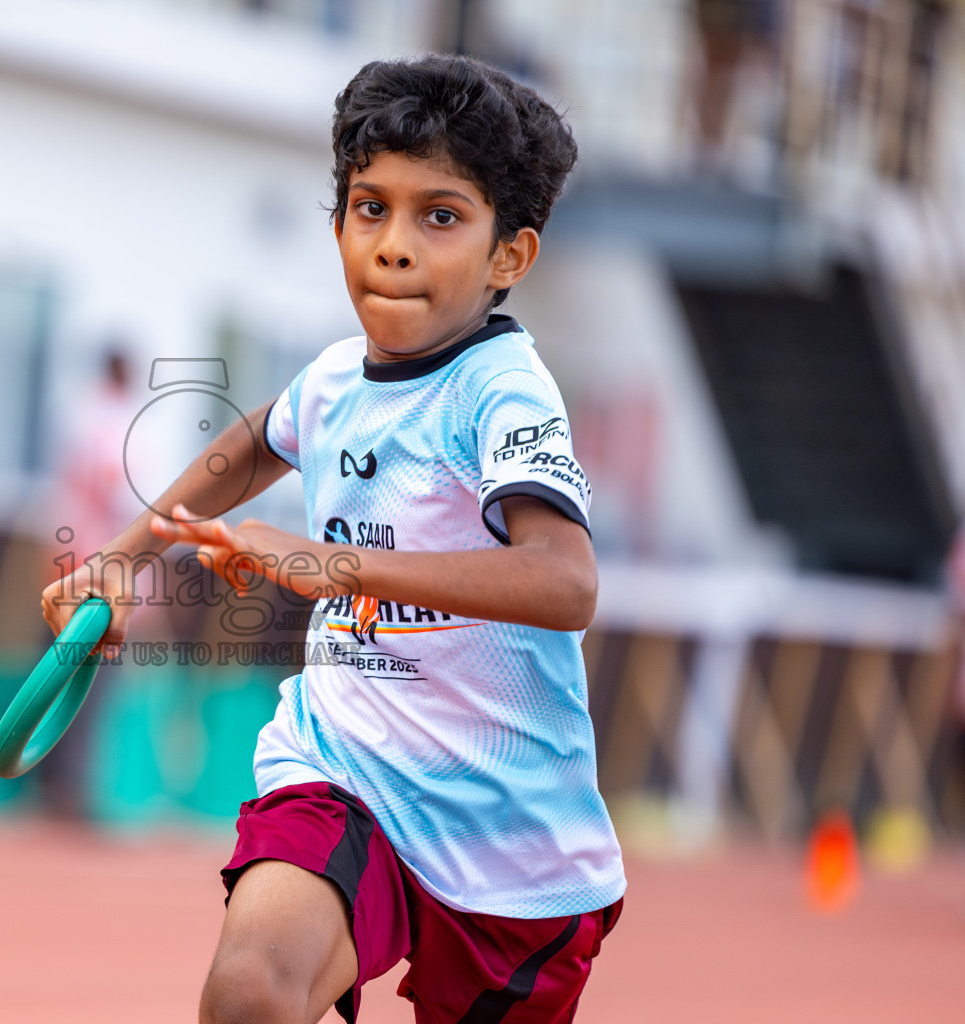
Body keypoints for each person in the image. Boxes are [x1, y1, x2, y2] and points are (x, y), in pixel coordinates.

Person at [42, 55, 624, 1023]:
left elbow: (566, 582)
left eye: (440, 216)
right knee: (250, 992)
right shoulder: (335, 378)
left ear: (510, 256)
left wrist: (337, 565)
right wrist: (120, 558)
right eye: (369, 208)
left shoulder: (503, 392)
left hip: (508, 842)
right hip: (344, 767)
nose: (392, 246)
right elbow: (252, 444)